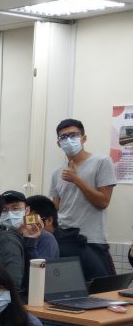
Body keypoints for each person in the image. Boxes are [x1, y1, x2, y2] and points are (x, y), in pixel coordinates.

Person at [49, 118, 117, 275]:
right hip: (64, 239)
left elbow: (103, 202)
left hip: (91, 239)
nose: (68, 140)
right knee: (68, 288)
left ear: (83, 138)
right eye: (63, 137)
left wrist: (76, 179)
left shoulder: (102, 162)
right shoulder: (57, 173)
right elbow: (56, 209)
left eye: (73, 135)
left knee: (102, 287)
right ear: (59, 143)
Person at [25, 195, 108, 281]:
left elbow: (41, 277)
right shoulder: (63, 238)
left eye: (31, 220)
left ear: (49, 220)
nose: (26, 225)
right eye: (24, 220)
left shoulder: (58, 245)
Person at [0, 190, 59, 263]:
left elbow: (41, 267)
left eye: (15, 209)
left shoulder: (45, 238)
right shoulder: (1, 236)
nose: (10, 214)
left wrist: (31, 241)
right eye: (4, 210)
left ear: (27, 211)